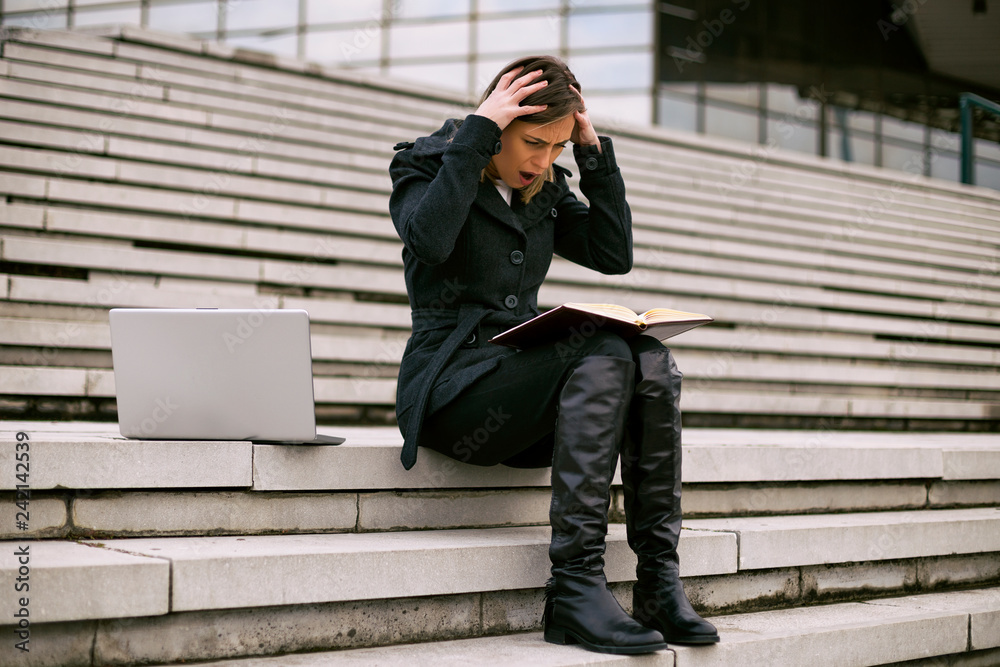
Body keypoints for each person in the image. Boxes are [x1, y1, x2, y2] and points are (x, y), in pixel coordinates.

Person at [388, 55, 718, 655]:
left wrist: (593, 158)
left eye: (557, 147)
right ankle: (573, 589)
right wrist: (475, 138)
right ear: (498, 121)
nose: (542, 161)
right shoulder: (427, 165)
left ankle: (658, 582)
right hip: (452, 390)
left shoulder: (543, 189)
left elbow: (612, 254)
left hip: (522, 391)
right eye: (532, 142)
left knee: (646, 356)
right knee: (602, 348)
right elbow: (430, 240)